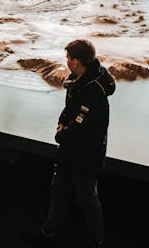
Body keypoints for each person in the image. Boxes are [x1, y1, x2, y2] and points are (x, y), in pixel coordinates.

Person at [21, 39, 116, 248]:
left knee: (88, 199)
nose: (65, 62)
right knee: (59, 193)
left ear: (75, 61)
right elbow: (72, 112)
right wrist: (63, 122)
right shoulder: (79, 78)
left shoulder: (95, 90)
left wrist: (61, 133)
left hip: (87, 153)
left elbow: (83, 124)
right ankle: (49, 233)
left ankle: (95, 241)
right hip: (71, 149)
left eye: (68, 58)